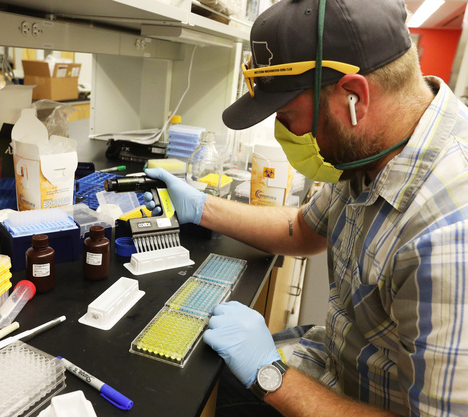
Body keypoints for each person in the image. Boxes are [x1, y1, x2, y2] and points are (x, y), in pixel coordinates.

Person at [143, 0, 468, 415]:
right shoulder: (374, 149)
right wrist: (202, 206)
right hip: (334, 365)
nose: (286, 132)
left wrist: (271, 374)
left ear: (354, 96)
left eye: (287, 115)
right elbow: (302, 230)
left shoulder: (449, 231)